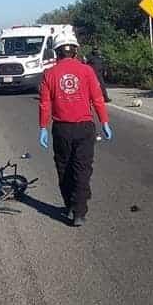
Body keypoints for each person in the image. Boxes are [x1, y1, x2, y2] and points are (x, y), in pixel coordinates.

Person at [38, 30, 112, 227]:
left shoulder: (49, 74)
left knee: (64, 168)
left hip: (61, 128)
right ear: (76, 51)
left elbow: (45, 104)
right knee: (82, 169)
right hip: (84, 128)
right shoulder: (87, 71)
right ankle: (79, 212)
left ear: (56, 52)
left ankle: (70, 205)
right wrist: (104, 121)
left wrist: (43, 127)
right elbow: (97, 98)